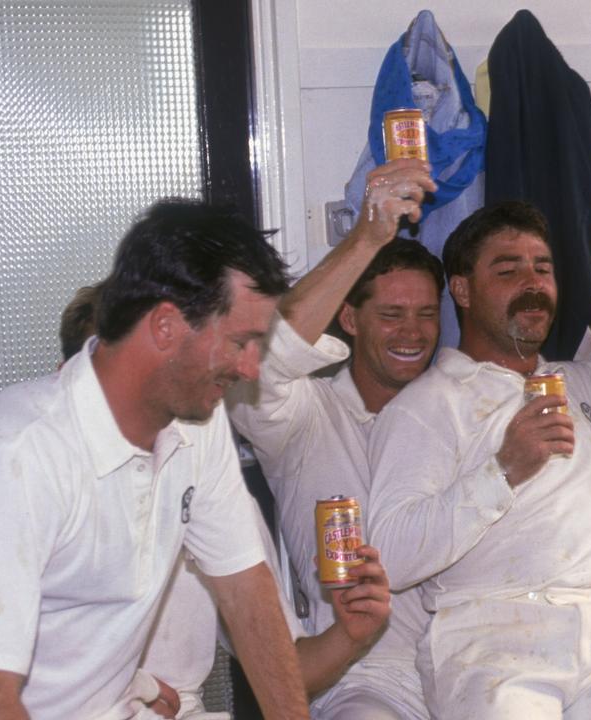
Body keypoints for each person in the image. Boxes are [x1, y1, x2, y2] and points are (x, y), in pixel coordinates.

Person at [0, 200, 310, 719]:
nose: (251, 368)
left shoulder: (199, 424)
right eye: (241, 341)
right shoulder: (13, 457)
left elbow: (245, 590)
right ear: (166, 326)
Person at [367, 200, 591, 719]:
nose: (533, 282)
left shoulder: (577, 382)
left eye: (542, 269)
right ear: (462, 290)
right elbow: (389, 554)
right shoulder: (427, 405)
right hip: (489, 639)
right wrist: (503, 471)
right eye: (508, 270)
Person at [54, 278, 393, 719]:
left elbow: (285, 672)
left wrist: (351, 635)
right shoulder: (34, 475)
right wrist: (129, 691)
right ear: (72, 376)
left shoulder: (201, 477)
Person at [227, 158, 443, 719]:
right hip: (363, 678)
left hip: (473, 661)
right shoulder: (301, 413)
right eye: (392, 314)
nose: (413, 333)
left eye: (426, 314)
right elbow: (263, 356)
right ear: (349, 318)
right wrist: (366, 238)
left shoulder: (460, 409)